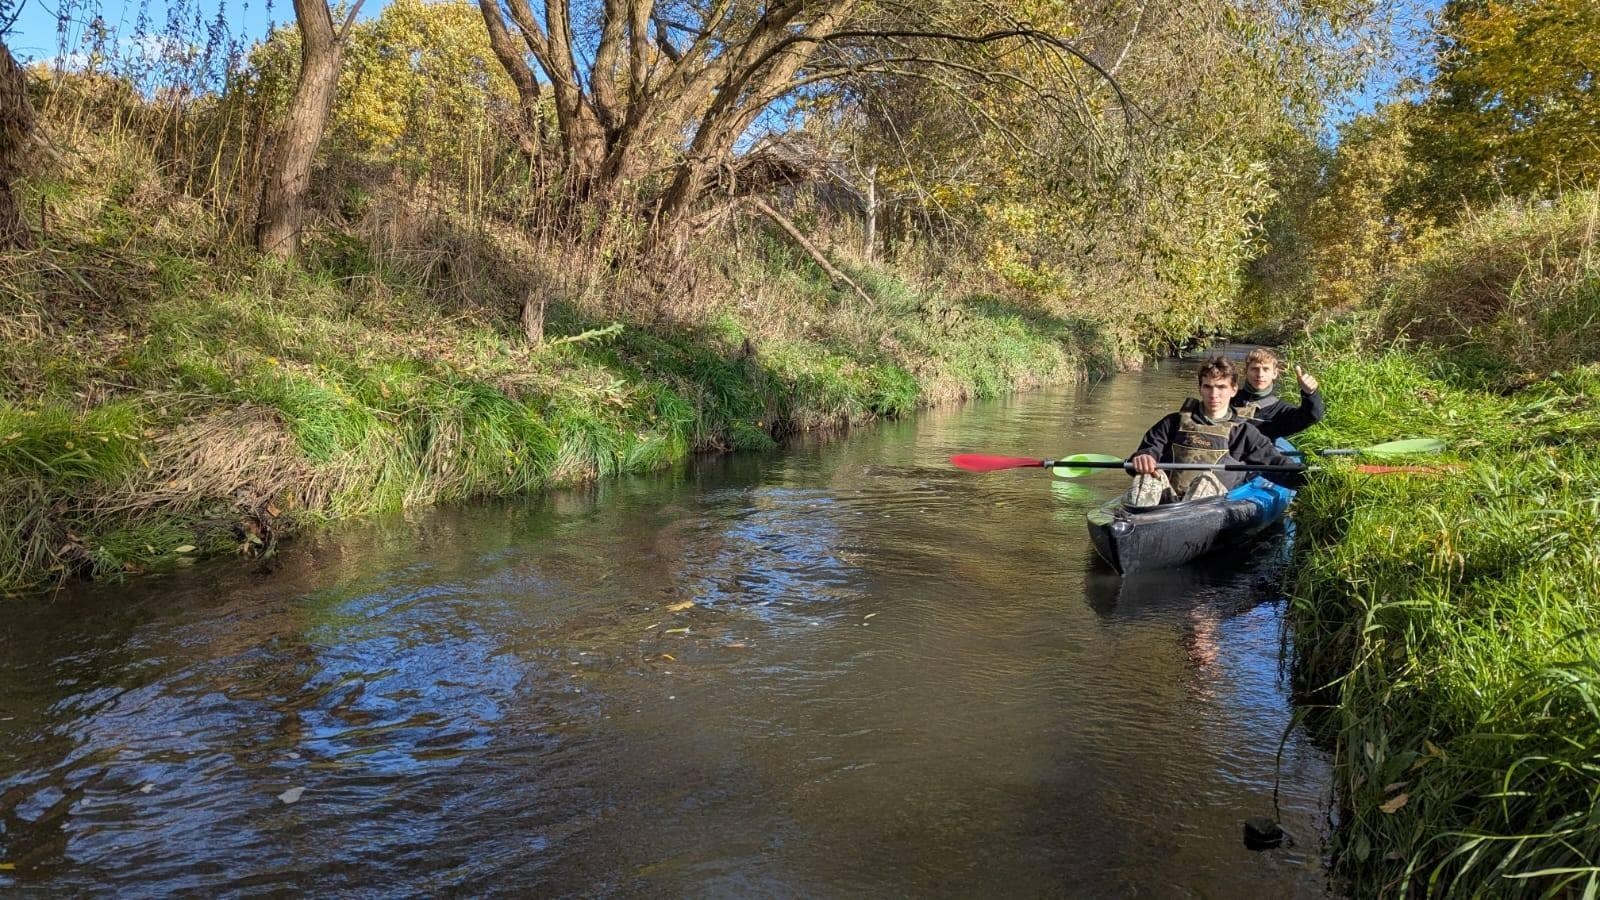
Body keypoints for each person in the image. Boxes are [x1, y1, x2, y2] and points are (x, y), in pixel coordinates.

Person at [1125, 355, 1306, 507]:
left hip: (1209, 508)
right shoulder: (1173, 422)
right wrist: (1144, 457)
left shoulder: (1243, 432)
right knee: (1145, 477)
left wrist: (1309, 479)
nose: (1214, 395)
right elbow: (1150, 449)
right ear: (1200, 389)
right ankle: (1131, 526)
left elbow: (1276, 465)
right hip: (1167, 499)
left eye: (1221, 387)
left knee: (1205, 480)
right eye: (1208, 387)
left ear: (1233, 390)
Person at [1232, 347, 1324, 441]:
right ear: (1245, 372)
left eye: (1266, 369)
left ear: (1275, 373)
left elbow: (1312, 416)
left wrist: (1310, 393)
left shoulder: (1280, 410)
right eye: (1255, 369)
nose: (1260, 374)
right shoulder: (1227, 399)